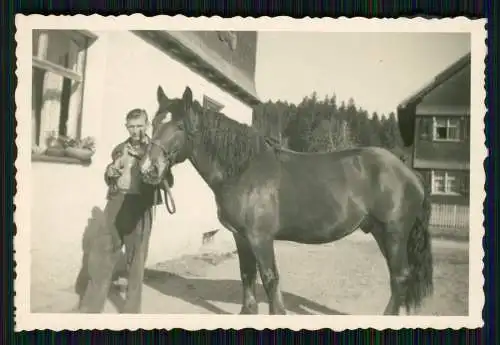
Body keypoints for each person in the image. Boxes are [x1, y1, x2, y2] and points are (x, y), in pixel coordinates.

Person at [76, 108, 173, 313]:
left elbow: (168, 180)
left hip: (140, 207)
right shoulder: (120, 148)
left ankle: (131, 312)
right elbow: (110, 176)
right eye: (131, 126)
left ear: (146, 126)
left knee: (136, 261)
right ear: (126, 127)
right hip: (115, 202)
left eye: (139, 126)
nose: (135, 131)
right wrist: (109, 172)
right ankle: (90, 308)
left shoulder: (155, 149)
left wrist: (149, 164)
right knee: (101, 255)